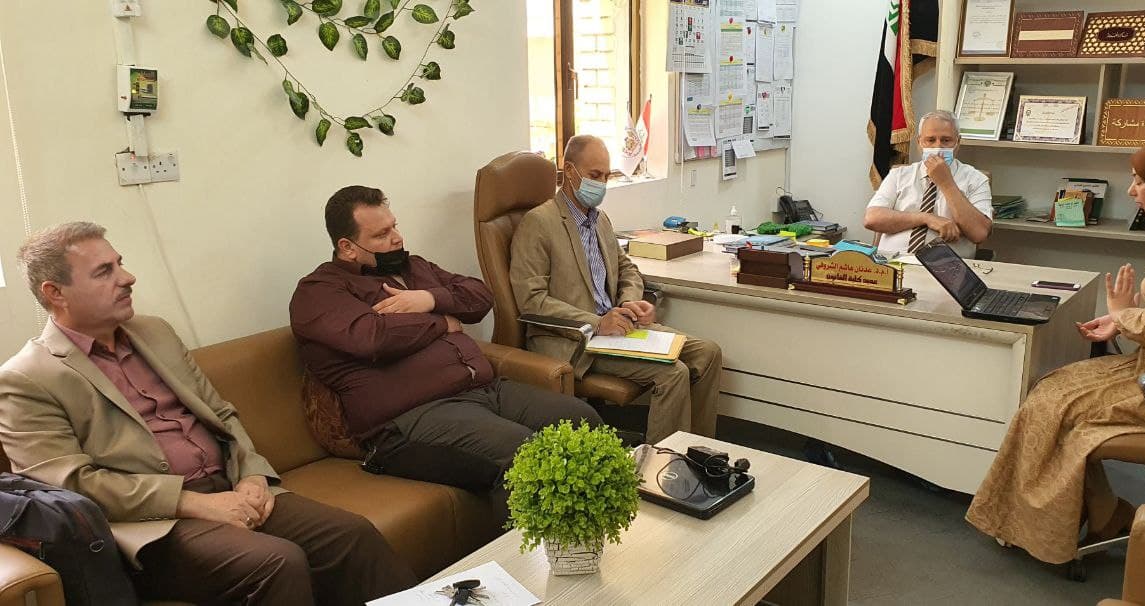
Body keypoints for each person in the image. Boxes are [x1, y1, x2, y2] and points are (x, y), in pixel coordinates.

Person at [0, 222, 415, 605]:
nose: (128, 278)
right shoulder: (25, 379)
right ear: (55, 293)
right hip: (154, 524)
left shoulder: (154, 331)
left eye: (120, 263)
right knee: (277, 562)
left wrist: (252, 474)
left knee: (352, 535)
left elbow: (221, 413)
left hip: (230, 487)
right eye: (104, 272)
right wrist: (192, 504)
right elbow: (75, 486)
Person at [966, 135, 1145, 565]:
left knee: (1054, 403)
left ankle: (1065, 522)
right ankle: (1103, 513)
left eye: (1141, 180)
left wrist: (1122, 316)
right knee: (1053, 388)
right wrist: (1122, 317)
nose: (1132, 191)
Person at [289, 186, 601, 523]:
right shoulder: (318, 291)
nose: (397, 238)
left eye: (394, 226)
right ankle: (530, 556)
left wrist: (429, 299)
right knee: (522, 451)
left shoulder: (413, 267)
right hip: (408, 420)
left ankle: (595, 536)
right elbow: (373, 336)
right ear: (347, 247)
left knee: (582, 420)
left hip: (483, 390)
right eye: (381, 234)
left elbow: (480, 296)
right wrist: (441, 322)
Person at [509, 135, 723, 443]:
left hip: (617, 329)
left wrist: (629, 302)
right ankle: (661, 466)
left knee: (708, 352)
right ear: (569, 171)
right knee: (673, 372)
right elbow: (531, 301)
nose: (601, 184)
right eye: (594, 175)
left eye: (606, 176)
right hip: (575, 339)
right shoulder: (539, 223)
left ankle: (697, 451)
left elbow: (627, 269)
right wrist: (597, 323)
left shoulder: (600, 220)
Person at [863, 110, 994, 258]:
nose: (938, 147)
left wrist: (946, 183)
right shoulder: (899, 175)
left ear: (958, 142)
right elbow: (872, 219)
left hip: (945, 266)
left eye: (946, 140)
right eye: (930, 140)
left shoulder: (976, 179)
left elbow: (979, 233)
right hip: (891, 263)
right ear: (919, 142)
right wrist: (926, 218)